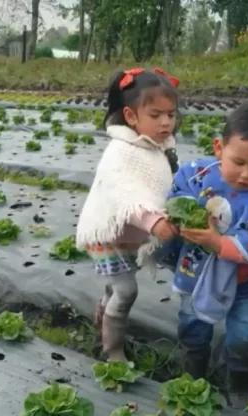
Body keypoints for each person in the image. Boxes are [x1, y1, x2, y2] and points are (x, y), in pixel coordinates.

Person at [155, 100, 248, 409]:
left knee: (244, 335)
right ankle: (194, 369)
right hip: (197, 272)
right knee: (192, 323)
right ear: (219, 148)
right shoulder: (197, 175)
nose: (247, 175)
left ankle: (240, 379)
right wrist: (175, 221)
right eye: (238, 162)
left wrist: (218, 243)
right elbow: (175, 198)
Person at [75, 67, 182, 362]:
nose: (165, 123)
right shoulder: (120, 152)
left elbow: (168, 181)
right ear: (131, 116)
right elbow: (127, 193)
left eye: (170, 115)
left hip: (127, 234)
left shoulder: (159, 147)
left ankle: (101, 320)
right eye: (156, 115)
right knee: (127, 291)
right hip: (107, 233)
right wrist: (154, 221)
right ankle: (113, 351)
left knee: (116, 285)